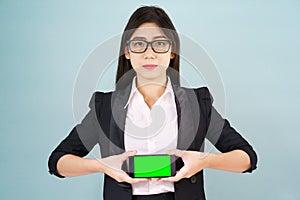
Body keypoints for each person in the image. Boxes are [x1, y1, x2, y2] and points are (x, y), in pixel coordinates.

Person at [48, 6, 257, 200]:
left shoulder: (196, 104)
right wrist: (102, 165)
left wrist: (205, 161)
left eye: (159, 43)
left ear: (171, 51)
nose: (149, 53)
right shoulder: (105, 107)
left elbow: (246, 158)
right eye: (139, 44)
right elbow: (58, 162)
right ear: (127, 52)